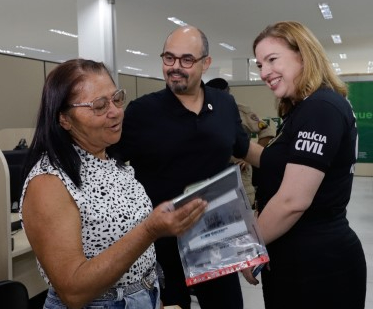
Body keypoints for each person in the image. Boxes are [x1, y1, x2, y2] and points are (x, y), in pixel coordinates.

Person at [19, 59, 207, 309]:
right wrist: (150, 230)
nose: (116, 111)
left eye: (117, 98)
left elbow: (135, 261)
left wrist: (153, 299)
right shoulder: (49, 182)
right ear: (64, 119)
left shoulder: (111, 161)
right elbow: (73, 292)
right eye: (99, 105)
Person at [110, 26, 261, 309]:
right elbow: (109, 165)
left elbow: (243, 149)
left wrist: (293, 167)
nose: (175, 68)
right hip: (161, 244)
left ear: (206, 63)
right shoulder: (142, 112)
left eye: (186, 60)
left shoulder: (225, 104)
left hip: (216, 239)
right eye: (169, 58)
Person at [242, 21, 367, 309]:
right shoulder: (303, 109)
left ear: (303, 55)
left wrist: (249, 248)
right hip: (297, 260)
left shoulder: (320, 108)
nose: (263, 73)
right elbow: (278, 164)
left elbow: (292, 200)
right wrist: (235, 142)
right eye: (259, 64)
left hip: (319, 267)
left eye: (272, 59)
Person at [205, 77, 275, 207]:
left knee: (243, 213)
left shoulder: (240, 111)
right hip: (213, 176)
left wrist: (248, 158)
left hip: (238, 172)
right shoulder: (203, 113)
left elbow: (267, 132)